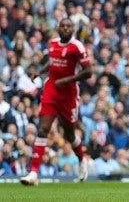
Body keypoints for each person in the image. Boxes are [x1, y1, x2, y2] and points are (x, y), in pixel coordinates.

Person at [20, 18, 92, 186]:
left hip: (69, 95)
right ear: (58, 28)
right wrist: (40, 72)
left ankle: (82, 160)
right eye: (63, 26)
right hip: (51, 90)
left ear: (73, 29)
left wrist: (67, 80)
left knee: (69, 134)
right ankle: (33, 173)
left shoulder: (77, 47)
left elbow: (88, 72)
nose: (65, 28)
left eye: (69, 26)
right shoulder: (52, 43)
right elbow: (52, 62)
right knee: (43, 129)